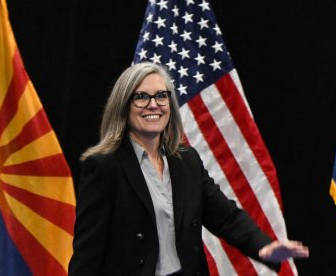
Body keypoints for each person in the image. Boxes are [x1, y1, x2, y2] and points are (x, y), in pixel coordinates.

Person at [68, 62, 309, 276]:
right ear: (123, 106)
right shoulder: (104, 167)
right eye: (141, 97)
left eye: (161, 96)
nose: (153, 105)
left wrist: (262, 246)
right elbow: (88, 252)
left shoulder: (186, 160)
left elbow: (225, 216)